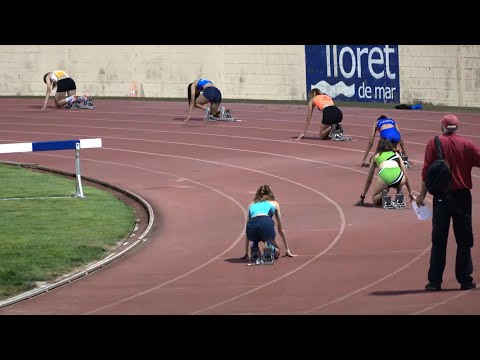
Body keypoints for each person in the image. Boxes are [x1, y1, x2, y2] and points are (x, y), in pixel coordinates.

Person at [416, 114, 480, 291]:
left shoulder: (434, 143)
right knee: (464, 240)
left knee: (439, 240)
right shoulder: (467, 145)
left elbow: (426, 171)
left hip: (442, 198)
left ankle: (435, 282)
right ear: (457, 127)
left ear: (443, 127)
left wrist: (421, 195)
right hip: (462, 198)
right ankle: (465, 280)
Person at [241, 185, 295, 262]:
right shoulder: (274, 203)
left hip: (251, 227)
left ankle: (254, 245)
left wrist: (246, 252)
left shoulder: (251, 204)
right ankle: (270, 247)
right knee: (277, 252)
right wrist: (287, 249)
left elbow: (247, 226)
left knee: (255, 236)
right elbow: (280, 228)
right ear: (271, 193)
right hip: (265, 222)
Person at [354, 138, 415, 207]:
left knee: (375, 199)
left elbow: (369, 180)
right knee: (397, 178)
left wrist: (362, 197)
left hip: (385, 176)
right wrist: (411, 193)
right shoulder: (397, 154)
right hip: (399, 177)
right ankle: (399, 192)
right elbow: (406, 176)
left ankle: (383, 194)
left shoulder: (376, 157)